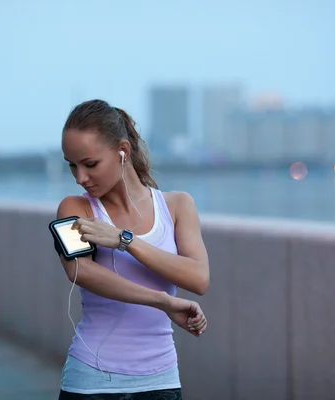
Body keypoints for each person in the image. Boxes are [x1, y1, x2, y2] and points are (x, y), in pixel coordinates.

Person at [55, 99, 210, 400]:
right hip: (91, 384)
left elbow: (199, 278)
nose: (80, 178)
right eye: (72, 166)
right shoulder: (75, 208)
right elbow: (80, 271)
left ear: (122, 152)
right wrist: (163, 301)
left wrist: (125, 241)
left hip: (161, 383)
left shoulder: (177, 206)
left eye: (90, 164)